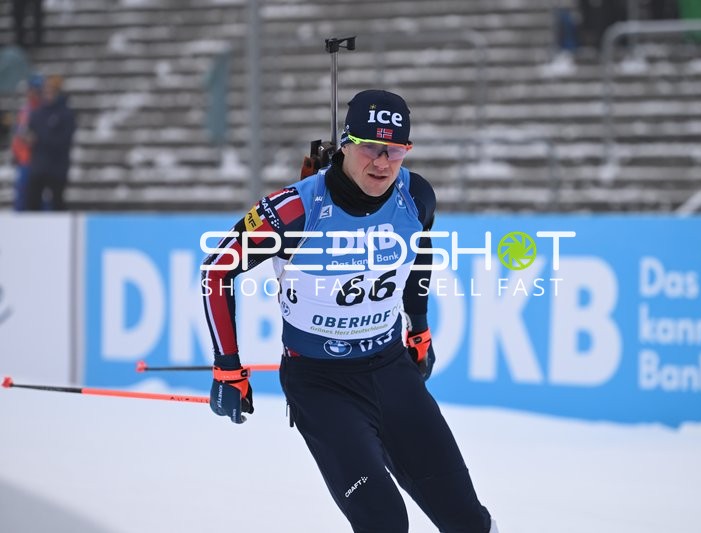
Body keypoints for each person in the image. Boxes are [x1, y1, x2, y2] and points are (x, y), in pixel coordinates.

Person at [202, 89, 499, 533]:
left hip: (390, 369)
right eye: (368, 148)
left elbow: (418, 253)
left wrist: (418, 329)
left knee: (466, 520)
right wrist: (227, 367)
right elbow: (217, 268)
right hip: (321, 386)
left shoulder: (415, 196)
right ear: (346, 143)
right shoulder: (296, 208)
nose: (381, 162)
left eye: (394, 150)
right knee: (385, 522)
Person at [25, 75, 76, 211]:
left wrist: (40, 138)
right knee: (32, 203)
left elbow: (64, 140)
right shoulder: (37, 113)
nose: (47, 94)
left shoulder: (65, 114)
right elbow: (30, 132)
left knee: (57, 203)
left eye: (51, 90)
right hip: (38, 166)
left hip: (57, 167)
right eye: (45, 91)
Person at [10, 74, 43, 211]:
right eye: (29, 90)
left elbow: (41, 135)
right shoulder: (25, 109)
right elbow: (18, 132)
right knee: (21, 198)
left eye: (33, 90)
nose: (30, 93)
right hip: (23, 160)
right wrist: (15, 152)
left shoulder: (41, 110)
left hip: (36, 161)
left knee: (37, 199)